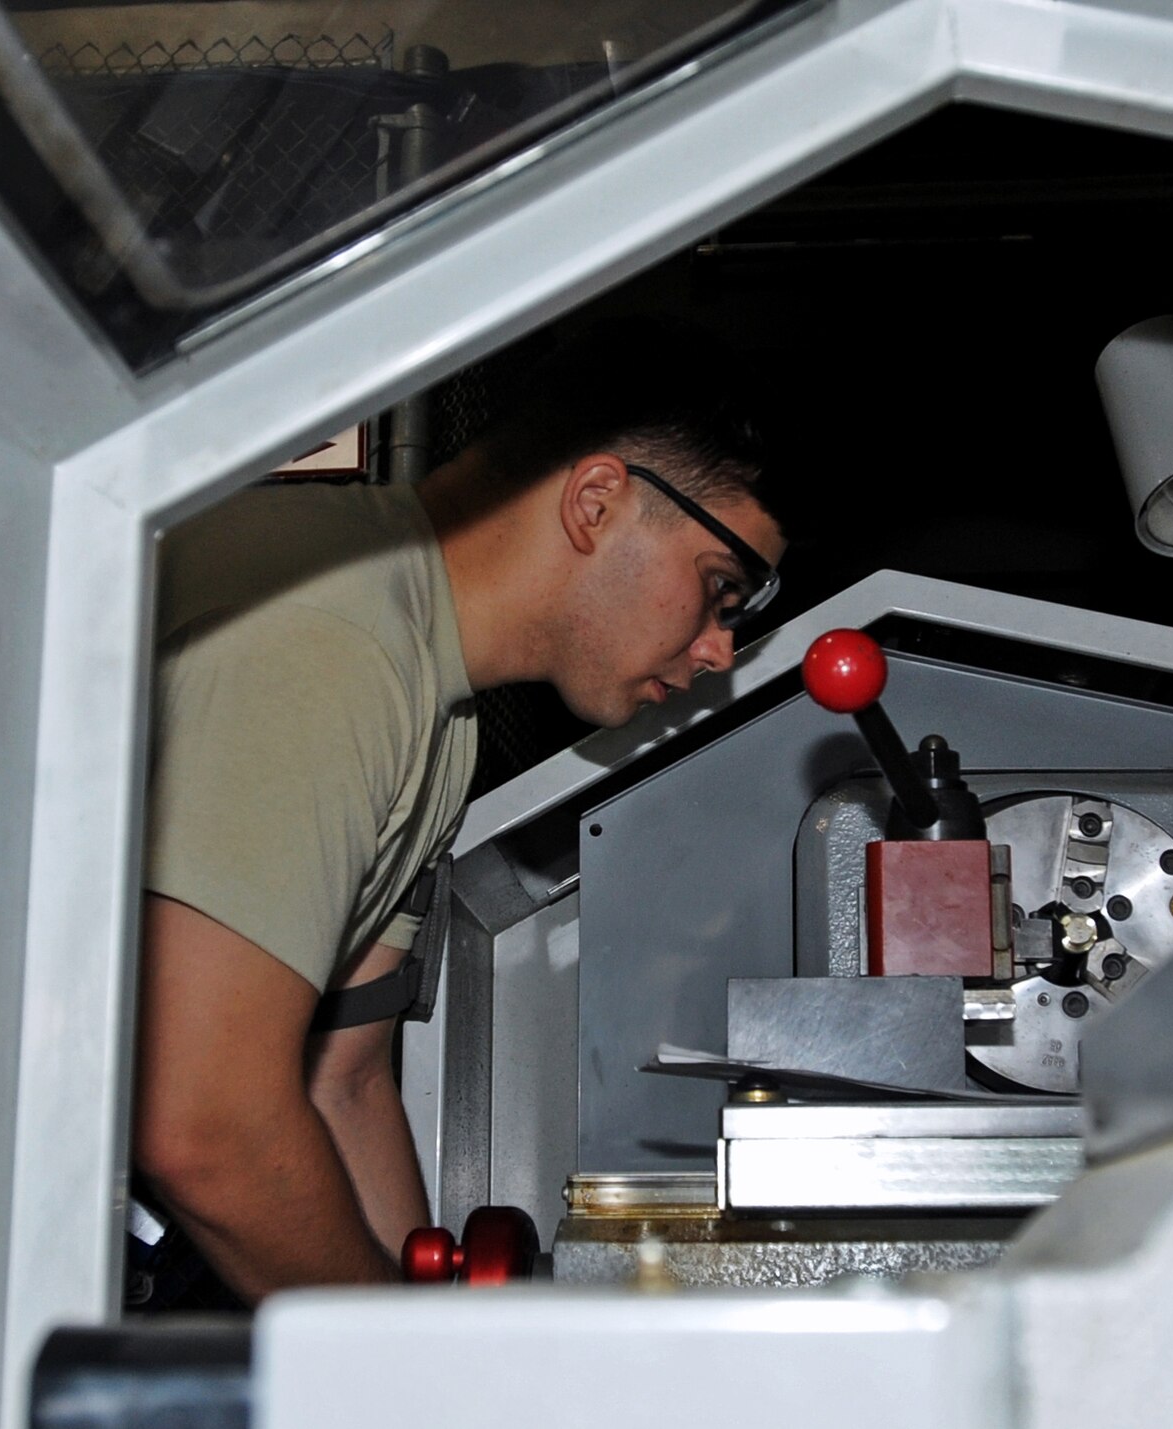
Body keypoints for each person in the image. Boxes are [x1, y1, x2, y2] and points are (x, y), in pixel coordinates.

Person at [130, 324, 786, 1304]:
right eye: (719, 588)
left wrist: (438, 1351)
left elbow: (342, 1077)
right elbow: (206, 1128)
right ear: (596, 499)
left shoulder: (439, 717)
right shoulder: (331, 635)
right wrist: (389, 1385)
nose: (717, 652)